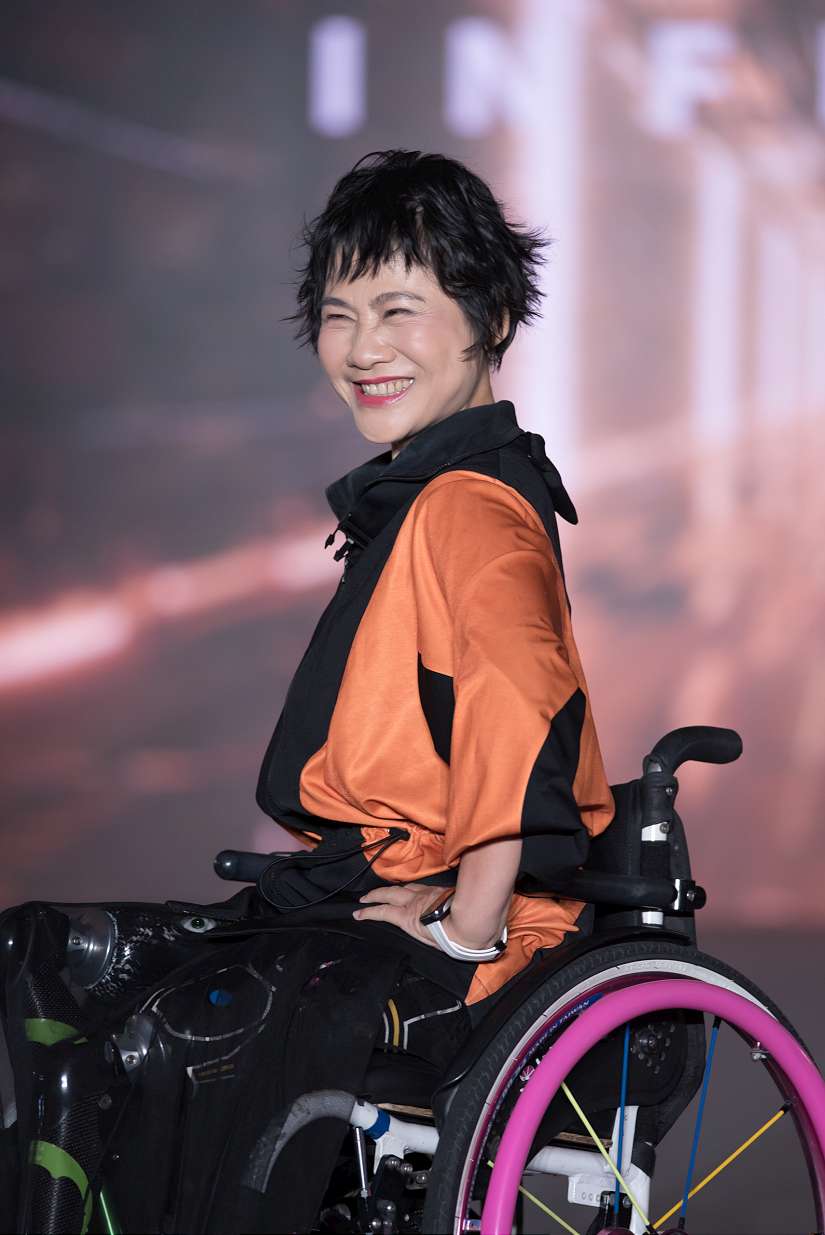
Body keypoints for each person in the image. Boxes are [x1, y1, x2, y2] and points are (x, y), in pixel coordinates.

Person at [0, 148, 615, 1235]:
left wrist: (469, 919)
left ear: (489, 319)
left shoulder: (468, 505)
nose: (363, 348)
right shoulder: (430, 493)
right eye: (340, 316)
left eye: (398, 310)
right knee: (52, 955)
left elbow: (519, 704)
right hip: (377, 891)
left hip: (470, 939)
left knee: (112, 1005)